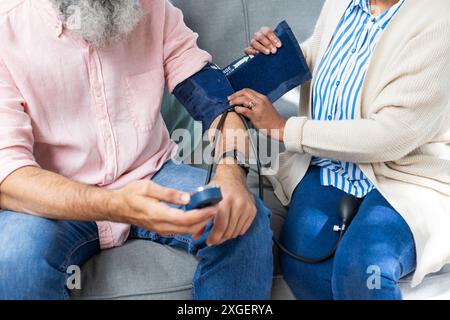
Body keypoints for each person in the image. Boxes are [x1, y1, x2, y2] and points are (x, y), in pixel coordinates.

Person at [0, 0, 273, 300]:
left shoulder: (154, 9)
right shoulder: (7, 28)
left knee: (244, 219)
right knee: (14, 259)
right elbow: (10, 178)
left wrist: (231, 174)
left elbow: (218, 106)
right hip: (54, 196)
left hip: (151, 175)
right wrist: (116, 204)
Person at [229, 0, 450, 299]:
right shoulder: (343, 3)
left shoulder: (440, 19)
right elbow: (317, 57)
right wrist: (275, 55)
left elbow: (393, 134)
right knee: (303, 266)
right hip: (329, 164)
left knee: (362, 272)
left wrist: (283, 129)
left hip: (405, 177)